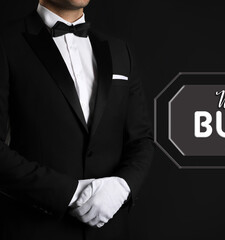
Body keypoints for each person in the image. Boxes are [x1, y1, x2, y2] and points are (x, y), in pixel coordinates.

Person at [0, 0, 154, 239]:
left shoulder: (119, 50)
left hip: (111, 231)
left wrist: (122, 186)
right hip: (34, 229)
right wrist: (70, 193)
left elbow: (141, 139)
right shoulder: (5, 43)